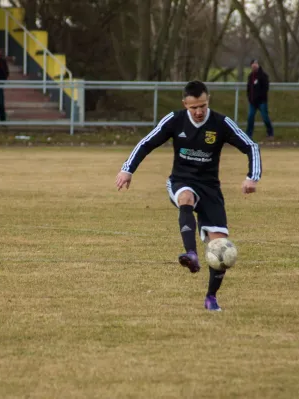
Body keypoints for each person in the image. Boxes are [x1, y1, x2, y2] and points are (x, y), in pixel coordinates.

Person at [115, 81, 262, 312]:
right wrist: (127, 169)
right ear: (185, 104)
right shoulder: (175, 120)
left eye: (202, 105)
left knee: (220, 246)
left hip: (210, 188)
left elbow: (250, 145)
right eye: (193, 107)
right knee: (185, 198)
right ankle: (191, 253)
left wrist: (252, 177)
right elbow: (146, 143)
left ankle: (211, 297)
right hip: (181, 181)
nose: (199, 111)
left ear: (208, 100)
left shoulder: (221, 123)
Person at [246, 59, 274, 140]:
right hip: (252, 102)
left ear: (258, 65)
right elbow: (248, 89)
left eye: (256, 64)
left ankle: (270, 133)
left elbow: (265, 88)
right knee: (250, 117)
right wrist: (249, 98)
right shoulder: (250, 76)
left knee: (265, 117)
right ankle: (248, 134)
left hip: (262, 101)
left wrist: (260, 97)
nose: (254, 65)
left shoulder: (263, 76)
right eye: (253, 64)